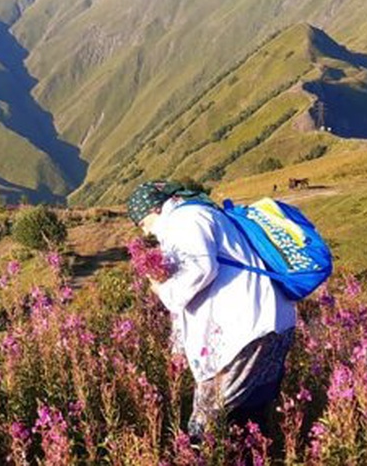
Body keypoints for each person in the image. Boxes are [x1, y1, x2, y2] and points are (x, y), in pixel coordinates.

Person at [126, 180, 297, 437]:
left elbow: (200, 270)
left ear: (155, 209)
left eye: (143, 224)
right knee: (248, 420)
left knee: (204, 428)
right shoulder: (206, 213)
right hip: (272, 325)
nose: (148, 233)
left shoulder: (184, 220)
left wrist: (163, 290)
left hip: (243, 336)